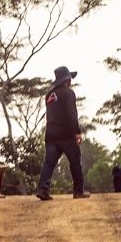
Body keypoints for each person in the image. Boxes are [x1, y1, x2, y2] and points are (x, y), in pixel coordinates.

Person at [35, 66, 90, 200]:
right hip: (66, 134)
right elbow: (71, 114)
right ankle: (78, 191)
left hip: (51, 134)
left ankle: (43, 189)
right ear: (67, 80)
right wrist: (77, 132)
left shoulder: (49, 95)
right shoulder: (69, 93)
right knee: (75, 161)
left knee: (49, 163)